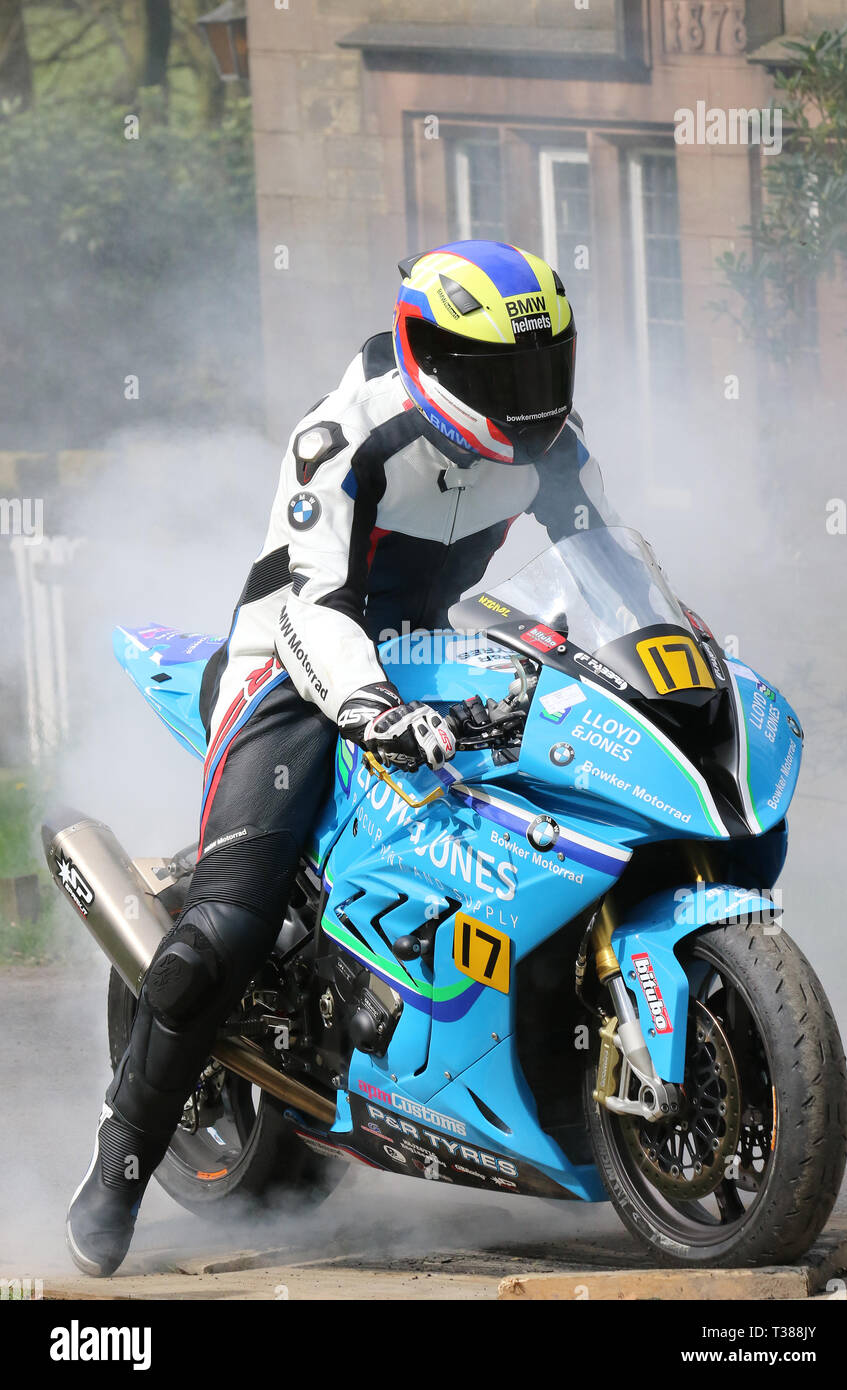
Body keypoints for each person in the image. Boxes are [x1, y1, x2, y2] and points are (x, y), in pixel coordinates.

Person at [67, 238, 614, 1275]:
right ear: (429, 356)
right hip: (294, 664)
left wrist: (661, 635)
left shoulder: (551, 444)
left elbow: (599, 552)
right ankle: (119, 1164)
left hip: (434, 660)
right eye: (501, 376)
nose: (528, 397)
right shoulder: (342, 440)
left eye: (543, 370)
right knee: (219, 932)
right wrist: (368, 704)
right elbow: (314, 613)